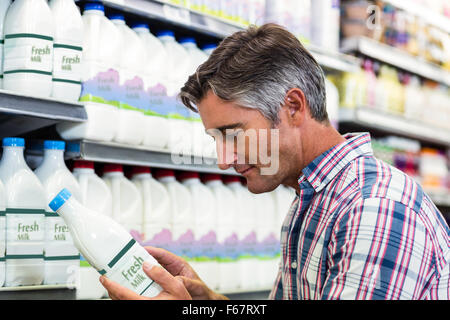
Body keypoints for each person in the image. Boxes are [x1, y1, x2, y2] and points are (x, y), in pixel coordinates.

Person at [100, 23, 450, 300]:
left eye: (233, 134)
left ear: (294, 107)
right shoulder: (312, 201)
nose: (224, 160)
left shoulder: (374, 209)